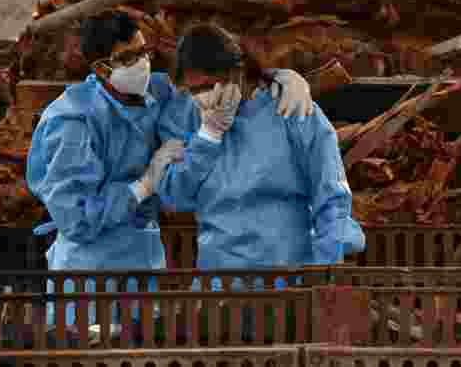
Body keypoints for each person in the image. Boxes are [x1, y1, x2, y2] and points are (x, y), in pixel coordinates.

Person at [25, 12, 315, 327]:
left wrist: (281, 79)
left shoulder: (157, 91)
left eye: (142, 51)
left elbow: (213, 78)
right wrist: (145, 184)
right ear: (100, 68)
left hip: (144, 257)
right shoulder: (71, 122)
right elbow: (76, 219)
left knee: (145, 351)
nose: (141, 63)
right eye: (127, 58)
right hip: (89, 272)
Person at [154, 23, 365, 281]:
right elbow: (174, 198)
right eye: (194, 90)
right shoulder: (185, 116)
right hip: (220, 283)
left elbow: (330, 194)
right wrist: (207, 137)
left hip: (291, 278)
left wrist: (325, 268)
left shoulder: (291, 108)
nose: (203, 97)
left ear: (237, 73)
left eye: (210, 85)